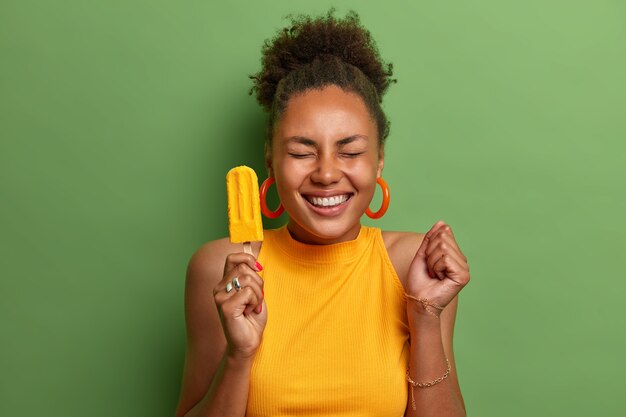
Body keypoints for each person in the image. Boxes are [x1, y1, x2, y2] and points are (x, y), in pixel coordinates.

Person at [175, 9, 470, 417]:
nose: (327, 173)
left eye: (349, 151)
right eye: (301, 152)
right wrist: (239, 356)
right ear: (271, 161)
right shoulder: (220, 271)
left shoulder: (415, 267)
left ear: (379, 160)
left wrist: (425, 315)